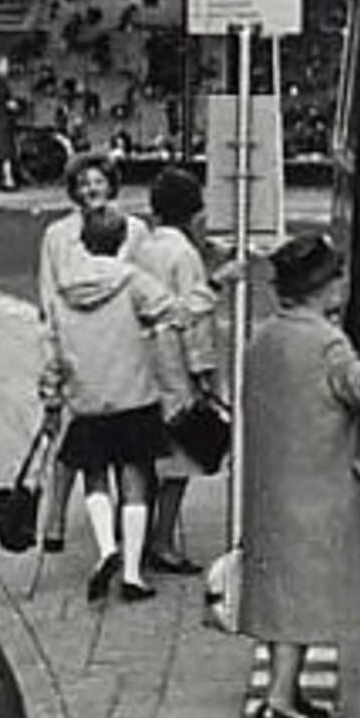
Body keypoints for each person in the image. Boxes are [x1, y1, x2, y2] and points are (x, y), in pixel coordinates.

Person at [233, 234, 360, 718]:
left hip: (275, 485)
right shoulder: (326, 343)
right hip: (320, 486)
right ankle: (280, 703)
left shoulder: (265, 337)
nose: (343, 283)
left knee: (284, 595)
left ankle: (284, 691)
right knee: (304, 595)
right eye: (337, 276)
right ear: (323, 288)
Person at [40, 206, 186, 602]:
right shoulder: (132, 280)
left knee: (95, 477)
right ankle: (133, 575)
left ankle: (106, 549)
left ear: (83, 241)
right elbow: (172, 310)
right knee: (135, 479)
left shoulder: (64, 291)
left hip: (87, 398)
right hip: (133, 394)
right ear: (122, 240)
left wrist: (51, 397)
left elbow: (52, 351)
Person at [129, 168, 225, 579]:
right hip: (174, 363)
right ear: (193, 212)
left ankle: (137, 535)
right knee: (179, 460)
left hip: (142, 357)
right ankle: (163, 542)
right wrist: (204, 373)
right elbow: (195, 318)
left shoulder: (143, 247)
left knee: (146, 457)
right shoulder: (185, 256)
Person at [39, 154, 145, 302]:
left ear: (110, 186)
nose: (92, 189)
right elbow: (48, 285)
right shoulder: (56, 234)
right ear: (75, 190)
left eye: (99, 182)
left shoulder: (136, 229)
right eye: (84, 184)